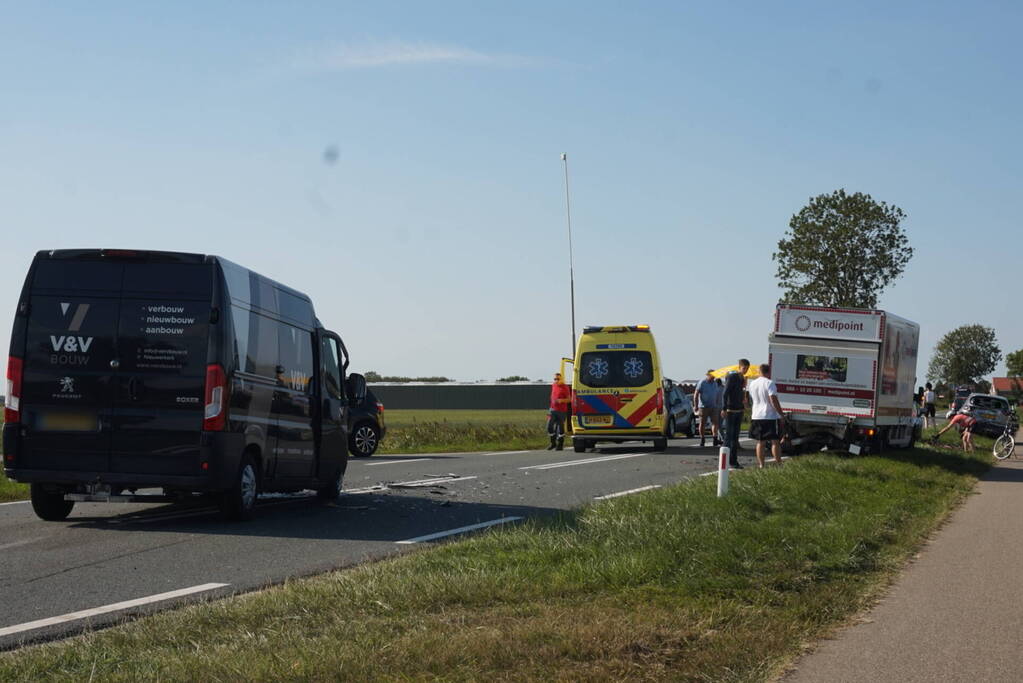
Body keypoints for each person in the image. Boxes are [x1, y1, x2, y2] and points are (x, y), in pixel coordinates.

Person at [747, 363, 786, 468]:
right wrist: (781, 414)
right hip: (769, 416)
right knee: (775, 441)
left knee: (760, 442)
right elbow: (772, 399)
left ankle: (761, 464)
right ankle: (779, 463)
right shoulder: (769, 383)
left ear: (759, 372)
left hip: (756, 415)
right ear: (769, 372)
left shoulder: (752, 384)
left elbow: (751, 399)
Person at [720, 359, 749, 469]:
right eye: (743, 368)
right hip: (730, 410)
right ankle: (724, 461)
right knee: (729, 437)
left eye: (746, 368)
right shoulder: (732, 377)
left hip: (739, 410)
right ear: (739, 367)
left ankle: (733, 461)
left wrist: (744, 401)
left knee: (735, 438)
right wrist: (724, 408)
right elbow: (725, 393)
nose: (745, 370)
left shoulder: (743, 379)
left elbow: (740, 395)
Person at [693, 370, 722, 447]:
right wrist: (696, 406)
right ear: (708, 375)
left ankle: (715, 439)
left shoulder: (715, 383)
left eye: (714, 376)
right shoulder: (702, 382)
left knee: (715, 423)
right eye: (712, 376)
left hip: (713, 406)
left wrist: (716, 403)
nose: (713, 377)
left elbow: (716, 394)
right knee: (702, 423)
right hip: (703, 406)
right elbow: (696, 394)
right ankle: (702, 439)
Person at [547, 372, 571, 450]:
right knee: (549, 426)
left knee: (560, 428)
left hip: (562, 411)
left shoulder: (565, 387)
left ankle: (560, 444)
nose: (556, 380)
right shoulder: (553, 385)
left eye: (558, 379)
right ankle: (553, 443)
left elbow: (569, 399)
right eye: (555, 379)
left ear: (561, 379)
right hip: (552, 409)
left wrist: (562, 400)